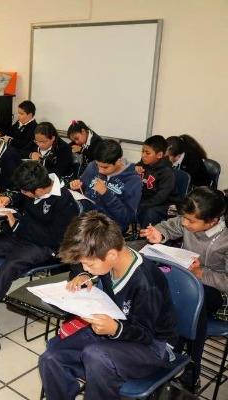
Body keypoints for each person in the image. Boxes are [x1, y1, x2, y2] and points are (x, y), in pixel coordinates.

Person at [39, 211, 177, 400]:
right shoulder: (109, 260)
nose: (86, 268)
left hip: (153, 345)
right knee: (50, 358)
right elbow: (86, 263)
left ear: (111, 254)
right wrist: (84, 275)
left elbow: (145, 334)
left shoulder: (146, 282)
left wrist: (116, 329)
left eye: (89, 265)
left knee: (95, 356)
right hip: (117, 328)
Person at [0, 162, 80, 340]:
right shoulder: (38, 182)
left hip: (45, 247)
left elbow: (55, 238)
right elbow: (21, 197)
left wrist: (17, 225)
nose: (22, 193)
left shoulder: (65, 202)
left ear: (39, 190)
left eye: (25, 191)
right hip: (21, 235)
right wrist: (9, 199)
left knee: (8, 268)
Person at [140, 186, 228, 390]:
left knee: (193, 301)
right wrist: (159, 233)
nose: (185, 224)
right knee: (169, 292)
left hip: (217, 293)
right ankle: (173, 356)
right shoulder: (188, 220)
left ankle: (188, 365)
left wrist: (201, 274)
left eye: (191, 221)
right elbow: (169, 226)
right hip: (187, 282)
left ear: (212, 221)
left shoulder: (225, 240)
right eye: (185, 219)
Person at [69, 139, 141, 232]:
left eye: (105, 167)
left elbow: (127, 218)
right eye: (97, 165)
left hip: (109, 225)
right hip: (86, 216)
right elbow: (82, 192)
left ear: (118, 162)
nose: (100, 170)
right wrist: (76, 187)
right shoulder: (92, 166)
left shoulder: (133, 181)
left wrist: (106, 194)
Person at [135, 135, 178, 227]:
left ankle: (145, 234)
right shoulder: (143, 163)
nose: (143, 155)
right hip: (148, 197)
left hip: (165, 203)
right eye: (142, 151)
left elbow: (161, 197)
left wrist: (142, 205)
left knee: (150, 212)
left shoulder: (167, 172)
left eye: (147, 153)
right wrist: (135, 168)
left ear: (159, 155)